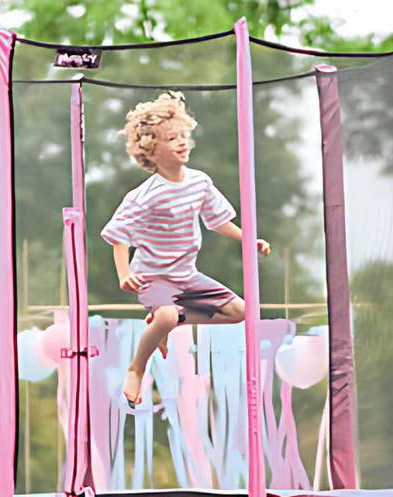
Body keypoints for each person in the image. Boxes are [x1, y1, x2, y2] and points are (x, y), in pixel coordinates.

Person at [101, 92, 270, 408]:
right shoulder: (144, 196)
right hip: (153, 276)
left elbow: (218, 221)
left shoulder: (199, 183)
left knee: (239, 312)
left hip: (187, 274)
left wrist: (250, 239)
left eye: (183, 136)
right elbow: (119, 236)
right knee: (163, 313)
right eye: (170, 139)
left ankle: (171, 320)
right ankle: (136, 368)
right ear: (151, 149)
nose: (181, 143)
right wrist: (125, 274)